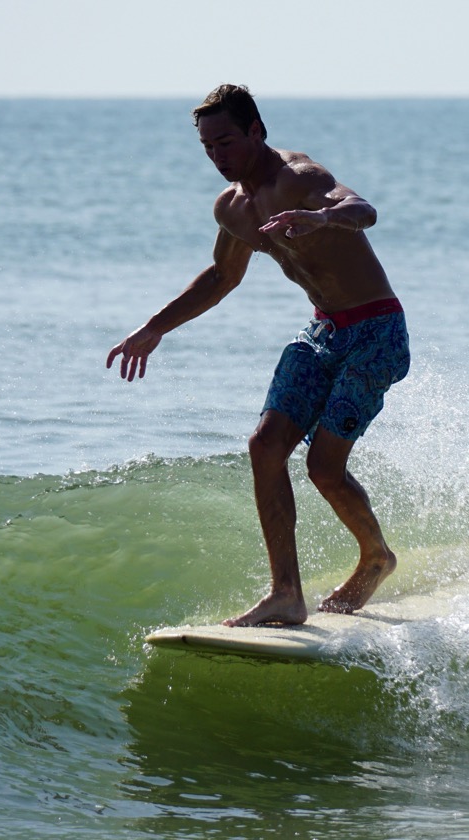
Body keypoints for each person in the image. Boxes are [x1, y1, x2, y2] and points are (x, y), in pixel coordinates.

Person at [106, 84, 410, 627]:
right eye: (207, 147)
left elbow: (365, 211)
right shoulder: (233, 209)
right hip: (324, 331)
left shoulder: (301, 177)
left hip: (377, 331)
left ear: (255, 131)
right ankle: (286, 593)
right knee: (265, 445)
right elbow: (224, 276)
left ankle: (376, 557)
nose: (217, 156)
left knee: (323, 467)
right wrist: (154, 328)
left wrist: (323, 218)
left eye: (226, 141)